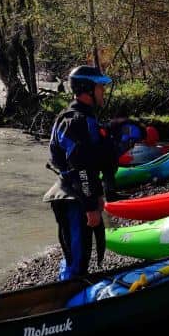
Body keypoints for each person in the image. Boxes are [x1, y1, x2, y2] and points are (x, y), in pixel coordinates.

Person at [43, 65, 118, 280]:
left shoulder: (85, 117)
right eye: (100, 87)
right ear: (87, 89)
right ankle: (68, 299)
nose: (103, 91)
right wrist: (90, 206)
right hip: (72, 198)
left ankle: (73, 286)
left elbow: (92, 163)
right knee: (76, 259)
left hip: (78, 195)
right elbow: (81, 168)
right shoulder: (75, 121)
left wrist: (99, 194)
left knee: (80, 254)